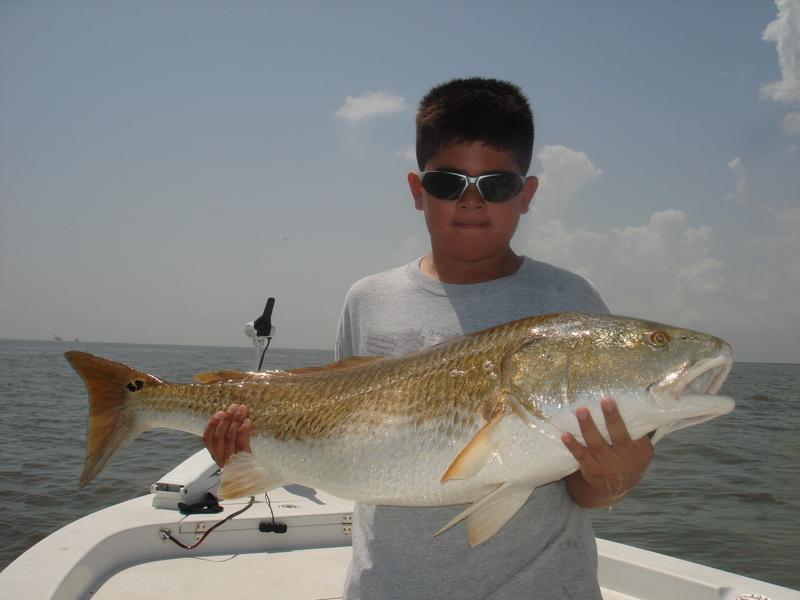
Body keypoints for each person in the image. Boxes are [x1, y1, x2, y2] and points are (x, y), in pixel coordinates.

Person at [203, 77, 654, 599]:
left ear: (526, 194)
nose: (471, 202)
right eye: (447, 183)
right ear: (418, 191)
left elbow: (584, 489)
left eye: (496, 185)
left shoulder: (570, 303)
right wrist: (249, 453)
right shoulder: (368, 299)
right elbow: (331, 426)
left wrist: (615, 476)